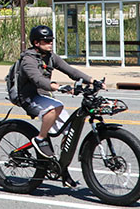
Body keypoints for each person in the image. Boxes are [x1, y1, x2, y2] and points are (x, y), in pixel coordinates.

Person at [18, 24, 93, 159]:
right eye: (46, 41)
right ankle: (40, 138)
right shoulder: (28, 59)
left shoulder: (50, 56)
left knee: (70, 130)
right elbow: (38, 80)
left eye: (51, 40)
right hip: (29, 97)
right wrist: (58, 87)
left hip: (44, 96)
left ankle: (61, 167)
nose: (50, 43)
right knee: (55, 108)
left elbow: (70, 71)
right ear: (36, 42)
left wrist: (92, 80)